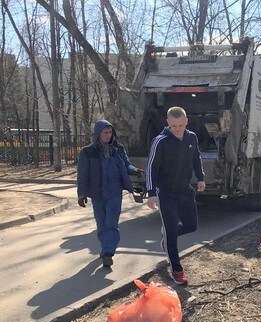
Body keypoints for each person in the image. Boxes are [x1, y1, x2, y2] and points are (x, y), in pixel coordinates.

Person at [146, 106, 206, 285]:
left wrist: (201, 178)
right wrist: (151, 193)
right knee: (172, 232)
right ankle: (177, 270)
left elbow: (196, 158)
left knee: (191, 225)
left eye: (180, 125)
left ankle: (167, 236)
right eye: (174, 126)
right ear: (168, 123)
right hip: (166, 193)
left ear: (186, 122)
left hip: (185, 190)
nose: (177, 129)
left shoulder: (191, 137)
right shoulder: (160, 141)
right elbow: (151, 168)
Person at [77, 119, 143, 268]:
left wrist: (134, 170)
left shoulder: (118, 149)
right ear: (98, 134)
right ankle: (105, 247)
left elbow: (126, 164)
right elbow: (82, 174)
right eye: (105, 133)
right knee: (101, 224)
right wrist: (81, 194)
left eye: (110, 132)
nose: (108, 135)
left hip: (114, 192)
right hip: (97, 193)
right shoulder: (88, 152)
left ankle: (108, 252)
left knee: (111, 223)